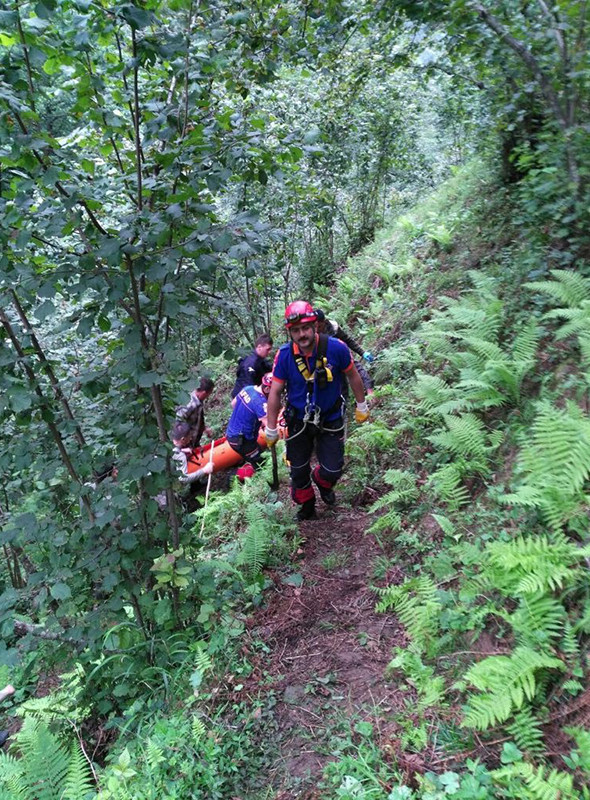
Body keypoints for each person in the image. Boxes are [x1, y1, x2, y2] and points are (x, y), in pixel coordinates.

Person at [265, 301, 370, 521]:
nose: (301, 334)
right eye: (295, 330)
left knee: (332, 469)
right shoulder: (284, 356)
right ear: (290, 332)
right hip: (297, 421)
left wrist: (361, 404)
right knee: (298, 470)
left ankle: (322, 481)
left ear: (315, 326)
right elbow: (275, 392)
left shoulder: (336, 348)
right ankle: (307, 505)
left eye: (305, 328)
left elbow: (352, 375)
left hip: (330, 416)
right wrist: (271, 428)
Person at [315, 309, 374, 395]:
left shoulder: (333, 327)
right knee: (339, 385)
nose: (317, 330)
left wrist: (362, 353)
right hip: (325, 362)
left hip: (340, 355)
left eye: (319, 327)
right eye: (314, 327)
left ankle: (370, 391)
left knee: (357, 369)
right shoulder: (311, 334)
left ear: (324, 322)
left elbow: (348, 341)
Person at [225, 373, 272, 481]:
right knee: (260, 461)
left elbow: (233, 404)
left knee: (256, 455)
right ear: (268, 389)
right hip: (241, 440)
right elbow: (269, 427)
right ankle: (234, 478)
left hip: (232, 433)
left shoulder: (248, 389)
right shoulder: (261, 404)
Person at [231, 334, 273, 399]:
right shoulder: (250, 363)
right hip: (243, 397)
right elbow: (246, 386)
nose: (269, 352)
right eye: (268, 349)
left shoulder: (260, 359)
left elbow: (270, 369)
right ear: (259, 347)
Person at [175, 377, 214, 448]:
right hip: (186, 442)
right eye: (209, 394)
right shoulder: (190, 404)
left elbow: (198, 417)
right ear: (204, 393)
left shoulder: (199, 401)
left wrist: (204, 428)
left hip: (194, 440)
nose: (208, 396)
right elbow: (178, 421)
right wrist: (181, 443)